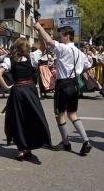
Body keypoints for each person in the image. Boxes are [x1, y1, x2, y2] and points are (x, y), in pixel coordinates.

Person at [34, 23, 92, 156]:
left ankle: (65, 142)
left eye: (60, 36)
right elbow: (88, 65)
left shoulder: (63, 48)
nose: (59, 38)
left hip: (63, 84)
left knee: (60, 114)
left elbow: (48, 41)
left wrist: (39, 27)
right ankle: (86, 141)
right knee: (73, 114)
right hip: (74, 84)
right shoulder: (79, 52)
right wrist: (75, 70)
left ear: (67, 36)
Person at [0, 38, 52, 161]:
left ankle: (21, 151)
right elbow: (43, 47)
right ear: (26, 47)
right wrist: (39, 31)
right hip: (30, 91)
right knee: (31, 118)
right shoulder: (31, 57)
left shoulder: (9, 60)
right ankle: (29, 149)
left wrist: (6, 87)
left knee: (18, 120)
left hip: (17, 91)